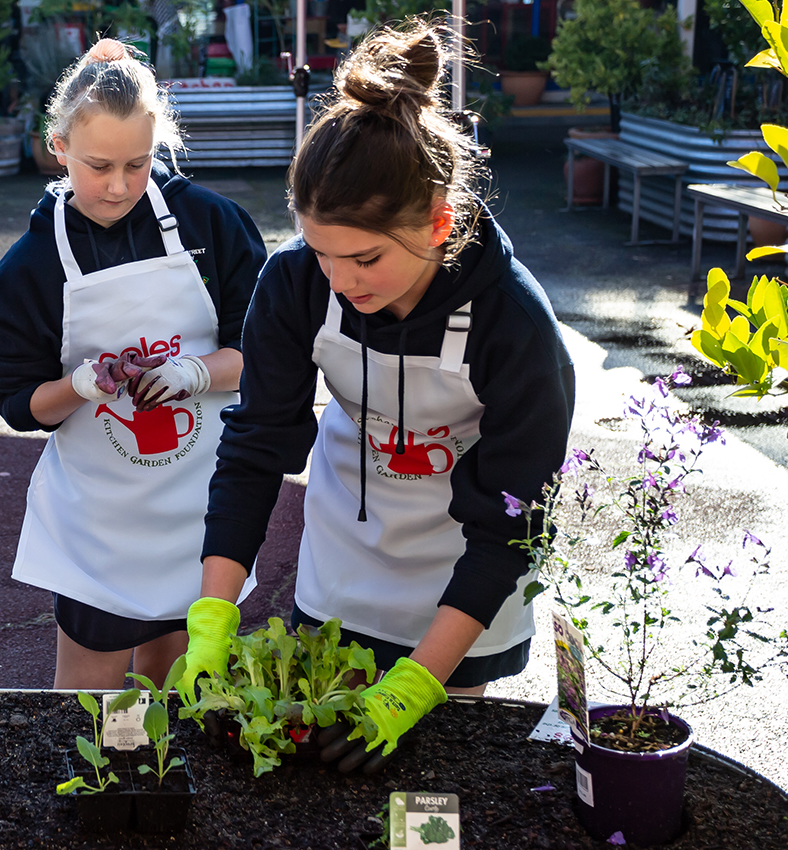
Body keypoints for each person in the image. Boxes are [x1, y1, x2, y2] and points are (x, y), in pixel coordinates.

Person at [180, 22, 575, 772]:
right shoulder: (297, 284)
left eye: (365, 257)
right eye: (321, 252)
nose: (341, 280)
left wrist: (420, 682)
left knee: (432, 786)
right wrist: (210, 615)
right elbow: (257, 448)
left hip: (464, 580)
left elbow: (512, 524)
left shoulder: (513, 324)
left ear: (438, 223)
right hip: (344, 565)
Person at [0, 39, 267, 689]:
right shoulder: (31, 266)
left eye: (137, 164)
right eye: (98, 165)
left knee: (170, 683)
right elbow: (21, 405)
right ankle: (98, 791)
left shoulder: (211, 223)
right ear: (58, 147)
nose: (118, 186)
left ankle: (155, 784)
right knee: (88, 703)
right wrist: (81, 385)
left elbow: (263, 355)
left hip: (200, 509)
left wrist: (195, 372)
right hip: (100, 527)